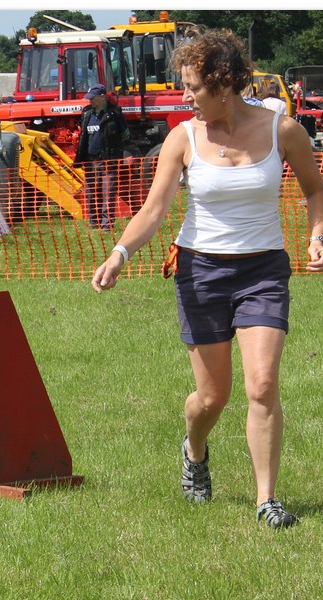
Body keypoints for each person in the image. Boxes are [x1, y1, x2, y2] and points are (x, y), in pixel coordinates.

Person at [91, 28, 323, 529]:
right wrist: (119, 253)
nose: (185, 95)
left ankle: (267, 501)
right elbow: (154, 210)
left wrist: (316, 233)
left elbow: (314, 188)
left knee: (262, 384)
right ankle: (194, 449)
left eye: (192, 86)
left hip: (263, 270)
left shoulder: (283, 129)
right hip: (201, 272)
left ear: (223, 85)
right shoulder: (183, 137)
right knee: (212, 398)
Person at [74, 83, 131, 230]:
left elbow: (125, 135)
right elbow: (83, 137)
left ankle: (107, 225)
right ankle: (94, 222)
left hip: (108, 160)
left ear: (102, 97)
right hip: (90, 160)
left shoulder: (115, 113)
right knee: (91, 193)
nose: (90, 101)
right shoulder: (87, 113)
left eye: (92, 98)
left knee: (108, 193)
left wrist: (122, 153)